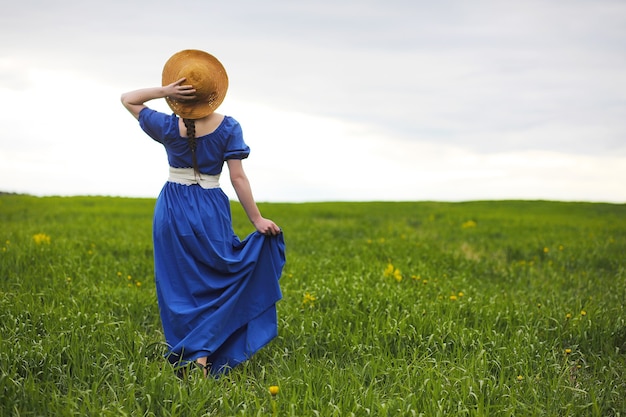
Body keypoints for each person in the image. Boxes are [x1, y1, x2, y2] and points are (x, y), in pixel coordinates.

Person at [120, 49, 285, 377]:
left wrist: (164, 91)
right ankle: (205, 353)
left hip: (172, 208)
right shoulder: (229, 127)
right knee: (216, 279)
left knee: (178, 285)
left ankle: (190, 353)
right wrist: (257, 220)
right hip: (210, 208)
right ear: (213, 94)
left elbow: (128, 98)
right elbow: (237, 177)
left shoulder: (166, 126)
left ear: (179, 95)